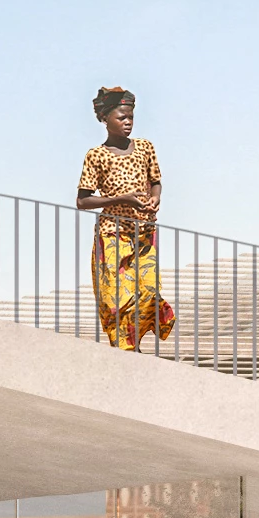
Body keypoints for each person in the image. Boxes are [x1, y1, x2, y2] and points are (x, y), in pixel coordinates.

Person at [76, 84, 176, 350]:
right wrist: (122, 199)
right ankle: (125, 348)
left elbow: (155, 181)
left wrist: (155, 198)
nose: (128, 122)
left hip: (144, 232)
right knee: (117, 297)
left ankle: (135, 343)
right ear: (105, 119)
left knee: (148, 291)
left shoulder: (144, 148)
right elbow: (83, 200)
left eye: (131, 117)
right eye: (121, 117)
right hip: (112, 234)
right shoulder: (96, 155)